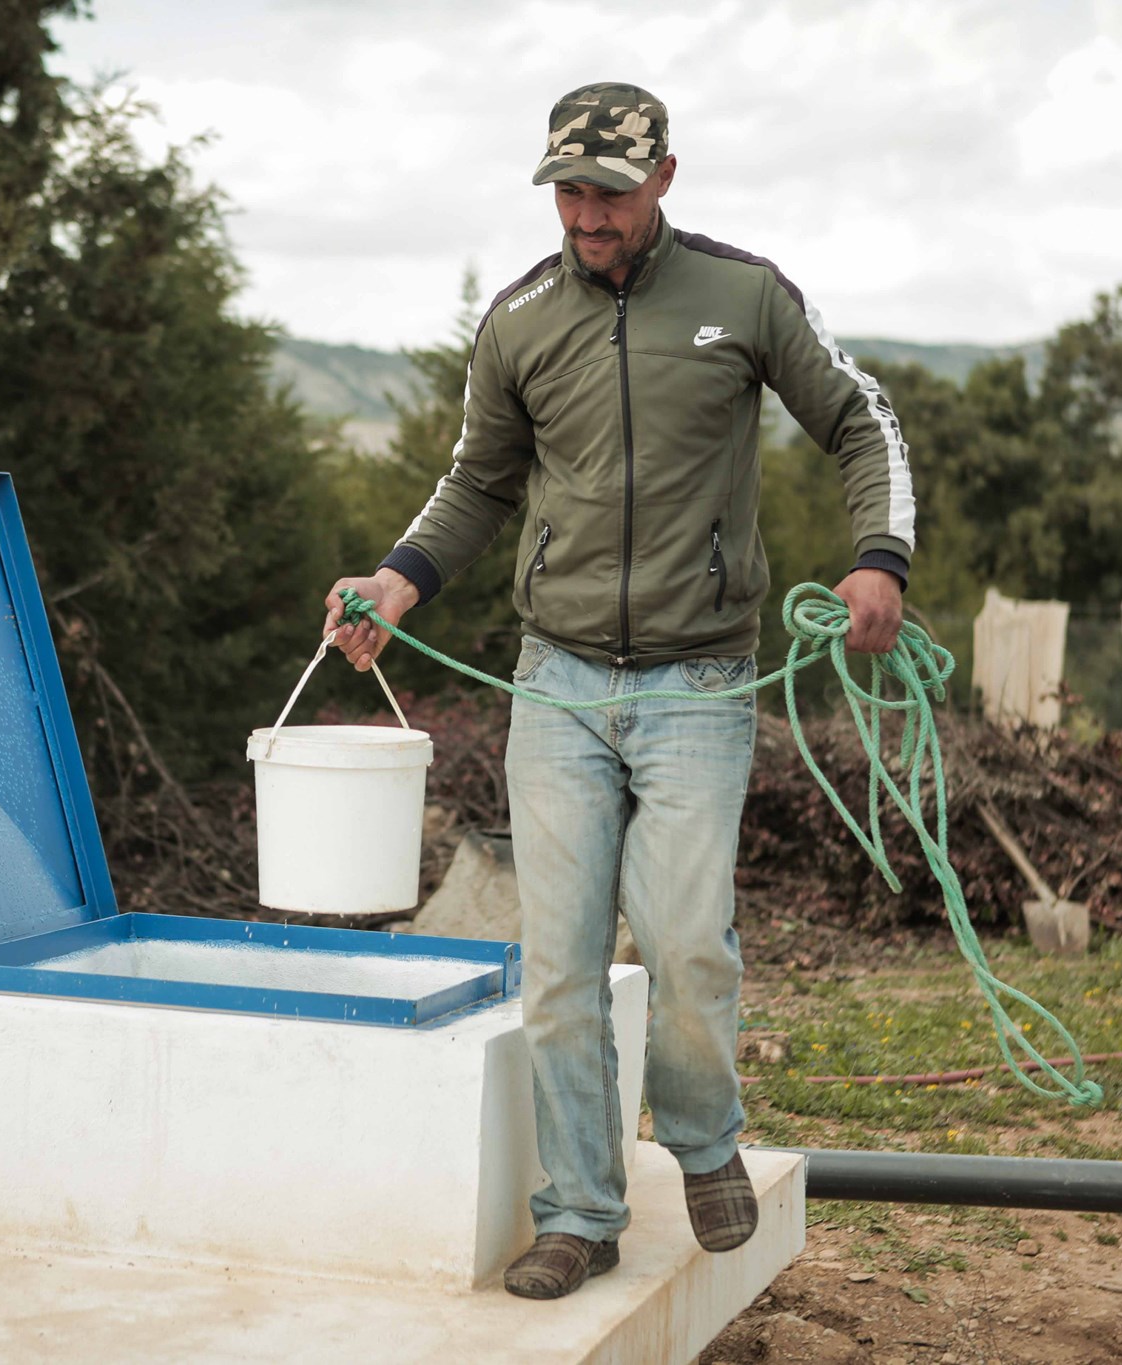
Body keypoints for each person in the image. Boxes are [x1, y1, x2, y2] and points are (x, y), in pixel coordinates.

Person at [322, 81, 914, 1299]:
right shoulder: (520, 318)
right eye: (567, 191)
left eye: (607, 190)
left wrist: (876, 559)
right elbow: (477, 482)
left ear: (662, 178)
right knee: (558, 964)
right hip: (558, 682)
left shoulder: (742, 294)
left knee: (689, 941)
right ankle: (579, 1213)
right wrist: (395, 582)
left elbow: (861, 424)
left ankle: (701, 1145)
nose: (584, 214)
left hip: (701, 679)